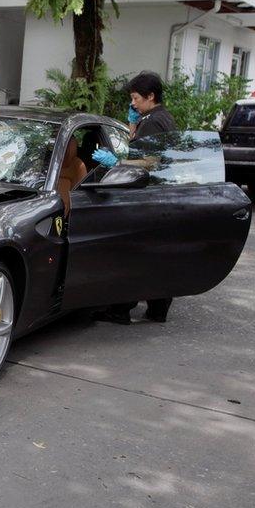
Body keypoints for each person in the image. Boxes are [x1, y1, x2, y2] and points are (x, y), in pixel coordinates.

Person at [92, 71, 176, 325]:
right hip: (160, 196)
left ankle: (120, 309)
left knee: (130, 253)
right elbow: (138, 145)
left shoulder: (152, 121)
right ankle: (158, 307)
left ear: (151, 96)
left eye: (136, 98)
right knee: (154, 254)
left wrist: (116, 161)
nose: (133, 103)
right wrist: (132, 123)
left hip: (145, 196)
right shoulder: (162, 118)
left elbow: (149, 161)